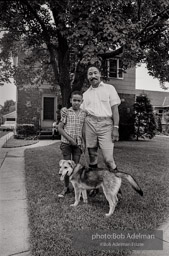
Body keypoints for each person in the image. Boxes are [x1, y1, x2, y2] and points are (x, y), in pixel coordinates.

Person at [81, 65, 121, 176]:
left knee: (108, 159)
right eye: (90, 74)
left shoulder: (109, 88)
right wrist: (65, 111)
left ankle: (116, 185)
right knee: (92, 156)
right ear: (87, 77)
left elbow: (115, 109)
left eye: (95, 73)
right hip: (90, 125)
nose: (93, 76)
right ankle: (94, 185)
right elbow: (79, 113)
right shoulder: (85, 95)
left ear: (100, 74)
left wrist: (116, 128)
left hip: (106, 125)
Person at [58, 91, 86, 197]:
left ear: (82, 101)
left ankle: (76, 187)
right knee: (66, 166)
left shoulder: (84, 113)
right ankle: (66, 188)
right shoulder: (66, 112)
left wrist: (83, 143)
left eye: (79, 101)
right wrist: (70, 139)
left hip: (77, 145)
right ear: (70, 100)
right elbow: (60, 128)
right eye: (74, 100)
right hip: (66, 144)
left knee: (75, 167)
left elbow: (83, 130)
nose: (76, 103)